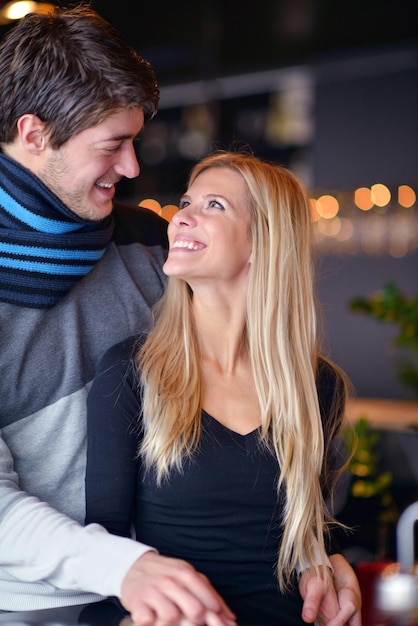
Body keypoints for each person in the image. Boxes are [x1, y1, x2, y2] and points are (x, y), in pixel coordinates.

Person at [85, 150, 362, 626]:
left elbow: (310, 535)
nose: (181, 218)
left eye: (214, 206)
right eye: (187, 202)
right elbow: (105, 559)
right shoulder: (132, 372)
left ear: (264, 242)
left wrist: (334, 569)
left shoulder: (317, 386)